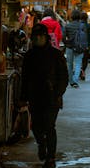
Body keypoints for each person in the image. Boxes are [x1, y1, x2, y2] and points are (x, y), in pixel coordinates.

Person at [20, 23, 68, 168]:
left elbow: (63, 77)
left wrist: (58, 93)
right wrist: (23, 97)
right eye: (35, 36)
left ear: (45, 37)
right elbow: (25, 78)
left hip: (52, 97)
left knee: (49, 126)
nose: (37, 39)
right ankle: (41, 144)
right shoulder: (29, 56)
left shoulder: (56, 54)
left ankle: (51, 158)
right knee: (36, 127)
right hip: (34, 97)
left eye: (40, 36)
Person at [63, 9, 86, 88]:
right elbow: (84, 37)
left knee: (69, 64)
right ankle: (75, 80)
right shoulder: (82, 25)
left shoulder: (67, 25)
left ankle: (71, 81)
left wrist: (66, 43)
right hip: (79, 47)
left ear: (71, 16)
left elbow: (63, 37)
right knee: (78, 63)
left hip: (69, 47)